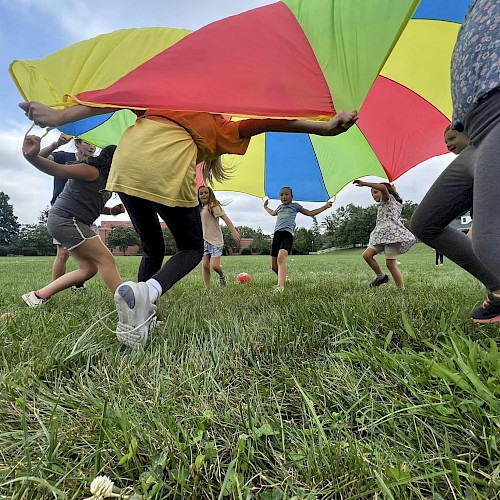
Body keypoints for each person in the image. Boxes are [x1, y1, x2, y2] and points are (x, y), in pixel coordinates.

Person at [19, 100, 358, 346]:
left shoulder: (162, 98)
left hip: (126, 169)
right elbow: (268, 121)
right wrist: (324, 128)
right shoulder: (218, 123)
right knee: (192, 247)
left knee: (151, 245)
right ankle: (146, 294)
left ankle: (137, 305)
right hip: (165, 171)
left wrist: (60, 115)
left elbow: (111, 97)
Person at [410, 0, 500, 323]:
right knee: (424, 223)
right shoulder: (471, 12)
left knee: (490, 242)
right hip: (475, 137)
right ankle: (498, 288)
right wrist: (458, 128)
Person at [21, 135, 124, 308]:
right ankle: (128, 305)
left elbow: (89, 204)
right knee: (106, 259)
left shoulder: (106, 181)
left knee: (88, 268)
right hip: (66, 220)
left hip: (72, 221)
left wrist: (111, 211)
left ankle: (38, 296)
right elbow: (57, 170)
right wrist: (31, 156)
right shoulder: (91, 171)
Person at [40, 134, 97, 289]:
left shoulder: (95, 165)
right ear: (77, 143)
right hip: (63, 212)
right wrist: (56, 143)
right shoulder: (63, 157)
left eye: (95, 144)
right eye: (88, 142)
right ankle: (53, 289)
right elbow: (39, 156)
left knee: (88, 254)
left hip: (84, 214)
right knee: (63, 253)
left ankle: (77, 283)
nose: (92, 147)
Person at [264, 186, 332, 292]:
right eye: (281, 195)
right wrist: (265, 207)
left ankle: (280, 287)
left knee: (281, 258)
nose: (284, 197)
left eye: (286, 194)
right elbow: (272, 213)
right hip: (277, 236)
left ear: (292, 196)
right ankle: (284, 278)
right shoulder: (279, 208)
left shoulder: (295, 206)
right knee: (274, 266)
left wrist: (326, 206)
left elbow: (311, 213)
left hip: (287, 235)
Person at [353, 180, 415, 289]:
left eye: (375, 192)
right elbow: (384, 189)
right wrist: (393, 190)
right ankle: (381, 277)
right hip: (380, 237)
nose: (373, 195)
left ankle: (401, 289)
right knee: (367, 255)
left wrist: (365, 184)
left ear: (385, 192)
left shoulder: (387, 199)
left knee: (390, 264)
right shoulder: (390, 201)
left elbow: (383, 188)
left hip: (393, 237)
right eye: (372, 193)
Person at [198, 185, 241, 288]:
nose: (204, 195)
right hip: (205, 241)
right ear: (198, 196)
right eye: (201, 193)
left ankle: (222, 275)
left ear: (210, 194)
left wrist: (233, 231)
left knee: (215, 266)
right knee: (204, 265)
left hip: (216, 240)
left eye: (206, 193)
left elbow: (225, 218)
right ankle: (207, 287)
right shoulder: (199, 209)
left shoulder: (213, 206)